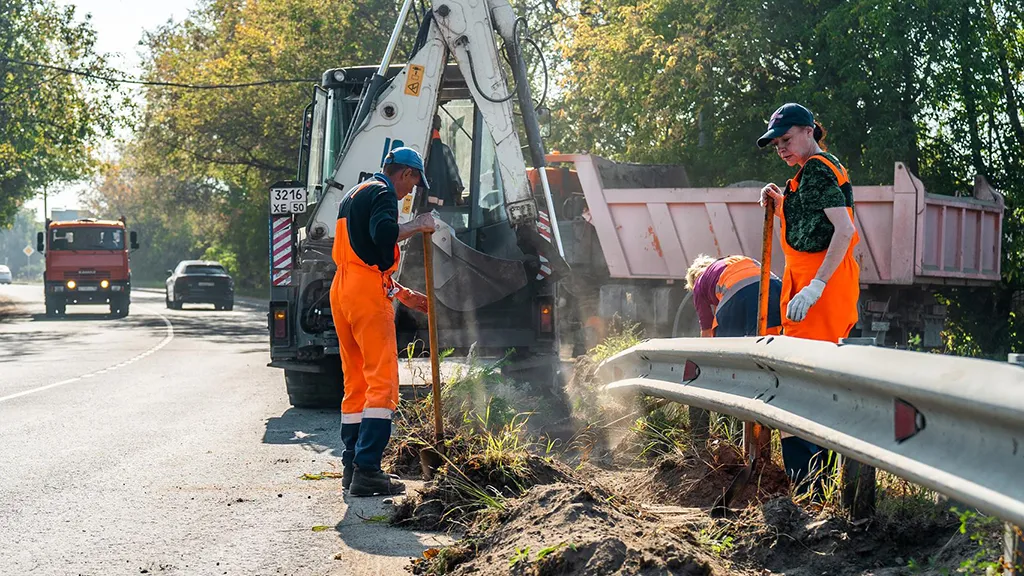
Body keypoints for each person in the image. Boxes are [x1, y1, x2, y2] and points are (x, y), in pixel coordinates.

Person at [756, 103, 860, 494]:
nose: (780, 148)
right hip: (810, 283)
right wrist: (781, 203)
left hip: (820, 288)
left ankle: (809, 488)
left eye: (786, 139)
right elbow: (810, 226)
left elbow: (844, 230)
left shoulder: (816, 168)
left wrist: (816, 286)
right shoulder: (811, 172)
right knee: (808, 383)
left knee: (798, 385)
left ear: (808, 131)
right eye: (775, 144)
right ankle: (816, 486)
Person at [330, 147, 436, 497]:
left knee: (356, 381)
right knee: (383, 382)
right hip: (364, 293)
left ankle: (351, 466)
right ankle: (368, 471)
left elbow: (364, 255)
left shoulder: (354, 193)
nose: (412, 191)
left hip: (343, 288)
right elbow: (384, 235)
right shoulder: (383, 193)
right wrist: (418, 224)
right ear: (405, 173)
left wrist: (401, 293)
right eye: (415, 182)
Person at [685, 254, 782, 338]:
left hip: (737, 290)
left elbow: (707, 329)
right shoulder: (733, 260)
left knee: (726, 345)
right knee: (767, 338)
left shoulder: (699, 283)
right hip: (772, 285)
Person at [425, 114, 465, 207]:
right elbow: (455, 181)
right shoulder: (444, 150)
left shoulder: (416, 151)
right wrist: (459, 199)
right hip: (442, 208)